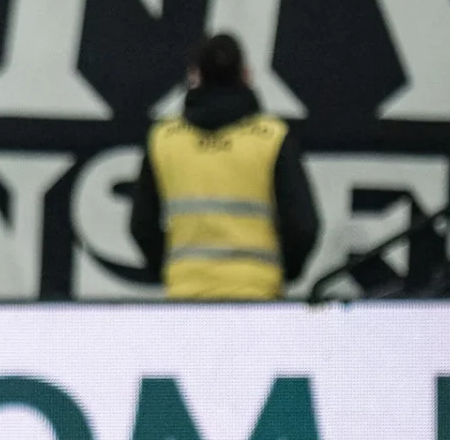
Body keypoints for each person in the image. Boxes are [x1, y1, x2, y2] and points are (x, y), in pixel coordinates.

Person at [129, 30, 318, 301]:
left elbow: (142, 225)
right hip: (257, 293)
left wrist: (173, 270)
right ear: (246, 75)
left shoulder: (165, 138)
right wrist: (285, 271)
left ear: (194, 76)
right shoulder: (272, 137)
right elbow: (303, 227)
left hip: (187, 295)